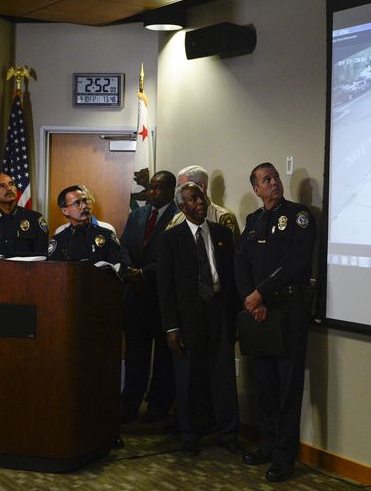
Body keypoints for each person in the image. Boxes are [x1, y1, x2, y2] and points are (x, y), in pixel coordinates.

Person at [235, 163, 316, 483]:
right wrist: (250, 299)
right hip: (260, 313)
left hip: (289, 311)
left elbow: (296, 263)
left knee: (287, 388)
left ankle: (284, 457)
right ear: (257, 190)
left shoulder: (299, 216)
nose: (274, 183)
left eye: (276, 177)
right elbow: (240, 262)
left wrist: (260, 293)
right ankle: (267, 445)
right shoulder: (254, 221)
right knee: (264, 385)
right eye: (266, 180)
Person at [158, 182, 241, 456]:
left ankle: (227, 433)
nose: (200, 203)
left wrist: (235, 317)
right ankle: (190, 434)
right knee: (188, 378)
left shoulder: (221, 234)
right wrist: (172, 326)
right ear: (183, 207)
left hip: (219, 311)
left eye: (201, 197)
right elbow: (166, 287)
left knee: (223, 376)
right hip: (187, 317)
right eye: (193, 199)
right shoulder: (171, 238)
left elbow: (231, 278)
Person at [119, 171, 178, 424]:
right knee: (135, 357)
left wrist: (143, 274)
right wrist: (130, 272)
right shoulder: (138, 214)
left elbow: (173, 258)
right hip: (135, 297)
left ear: (170, 191)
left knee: (164, 359)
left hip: (162, 297)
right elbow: (123, 247)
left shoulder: (179, 217)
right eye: (151, 187)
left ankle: (157, 407)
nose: (151, 192)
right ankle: (129, 406)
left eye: (157, 188)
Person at [47, 185, 127, 269]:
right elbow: (53, 272)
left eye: (85, 201)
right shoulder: (58, 240)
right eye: (77, 203)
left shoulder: (107, 235)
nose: (84, 206)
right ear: (65, 211)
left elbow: (120, 266)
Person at [0, 172, 49, 257]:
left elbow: (42, 257)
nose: (9, 188)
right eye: (1, 186)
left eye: (11, 184)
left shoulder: (35, 219)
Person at [167, 165, 240, 240]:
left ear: (201, 186)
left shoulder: (221, 217)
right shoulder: (177, 219)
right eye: (178, 187)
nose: (179, 191)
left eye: (183, 186)